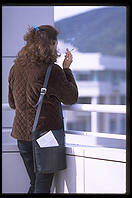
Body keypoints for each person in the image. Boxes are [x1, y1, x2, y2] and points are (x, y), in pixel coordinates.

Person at [8, 25, 78, 193]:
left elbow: (12, 103)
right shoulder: (52, 70)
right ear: (51, 44)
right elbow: (71, 97)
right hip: (46, 136)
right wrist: (67, 69)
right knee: (42, 187)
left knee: (35, 184)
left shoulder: (15, 69)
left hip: (22, 136)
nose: (57, 48)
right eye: (56, 44)